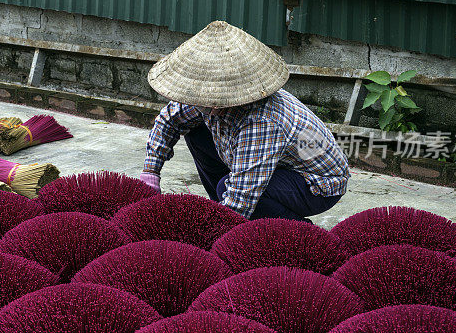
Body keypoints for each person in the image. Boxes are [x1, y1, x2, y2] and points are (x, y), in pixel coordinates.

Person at [140, 20, 350, 222]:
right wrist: (150, 172)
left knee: (229, 189)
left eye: (215, 102)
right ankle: (221, 207)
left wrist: (210, 228)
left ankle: (297, 230)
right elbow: (169, 120)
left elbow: (242, 196)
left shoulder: (261, 121)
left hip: (316, 183)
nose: (206, 106)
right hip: (277, 163)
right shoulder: (203, 93)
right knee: (196, 133)